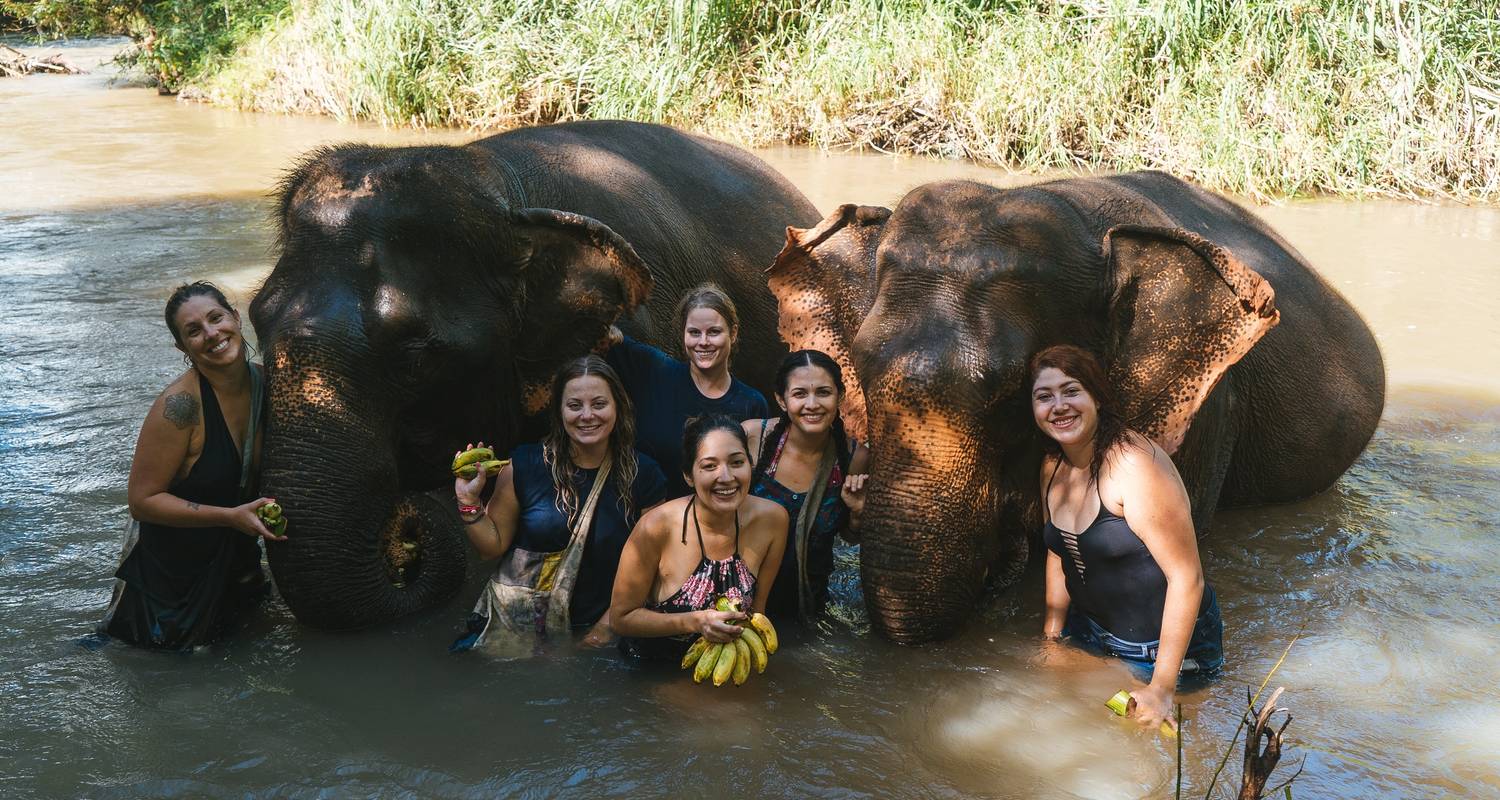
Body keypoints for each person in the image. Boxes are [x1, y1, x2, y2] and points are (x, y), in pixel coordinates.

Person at [1030, 344, 1224, 732]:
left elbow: (1188, 578)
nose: (1059, 406)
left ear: (1097, 398)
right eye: (1044, 396)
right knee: (1077, 727)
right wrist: (1053, 635)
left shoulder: (1135, 465)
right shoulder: (1052, 465)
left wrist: (1162, 688)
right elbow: (1059, 552)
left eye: (1071, 391)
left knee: (1146, 750)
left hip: (1160, 652)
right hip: (1088, 630)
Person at [102, 282, 283, 649]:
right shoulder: (179, 408)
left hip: (240, 575)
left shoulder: (272, 384)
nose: (212, 334)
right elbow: (142, 500)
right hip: (171, 596)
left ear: (235, 315)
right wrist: (228, 516)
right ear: (182, 346)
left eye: (216, 318)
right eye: (194, 331)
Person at [452, 356, 666, 650]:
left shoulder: (644, 475)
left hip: (598, 631)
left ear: (618, 406)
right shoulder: (524, 465)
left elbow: (651, 567)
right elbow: (491, 547)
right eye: (575, 405)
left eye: (599, 404)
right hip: (518, 627)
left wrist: (603, 632)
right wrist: (468, 500)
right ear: (559, 411)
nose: (587, 415)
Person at [610, 415, 788, 661]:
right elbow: (621, 619)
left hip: (725, 661)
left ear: (750, 465)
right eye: (709, 466)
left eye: (737, 462)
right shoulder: (656, 527)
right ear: (688, 475)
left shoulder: (773, 521)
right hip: (652, 668)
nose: (726, 477)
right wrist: (695, 622)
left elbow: (757, 615)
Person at [742, 350, 870, 622]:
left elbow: (848, 536)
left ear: (840, 397)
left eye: (823, 392)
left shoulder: (853, 456)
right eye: (800, 394)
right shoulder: (753, 437)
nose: (812, 404)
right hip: (739, 601)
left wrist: (858, 513)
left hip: (807, 606)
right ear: (781, 399)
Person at [605, 283, 768, 496]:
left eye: (714, 332)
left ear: (733, 333)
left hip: (717, 524)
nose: (703, 342)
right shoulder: (654, 371)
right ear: (683, 334)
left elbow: (753, 483)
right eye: (694, 332)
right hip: (644, 521)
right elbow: (599, 331)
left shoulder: (752, 404)